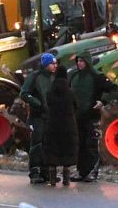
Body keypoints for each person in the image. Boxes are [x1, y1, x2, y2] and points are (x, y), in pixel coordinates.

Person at [69, 51, 118, 181]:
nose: (79, 63)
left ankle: (92, 171)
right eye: (78, 61)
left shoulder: (97, 76)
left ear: (87, 62)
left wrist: (103, 101)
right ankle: (81, 171)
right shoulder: (74, 76)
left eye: (82, 61)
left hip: (92, 115)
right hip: (77, 116)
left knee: (91, 144)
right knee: (80, 144)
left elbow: (113, 89)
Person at [20, 52, 58, 184]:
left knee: (48, 144)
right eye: (52, 63)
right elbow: (24, 93)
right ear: (46, 64)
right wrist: (38, 103)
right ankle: (34, 172)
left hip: (50, 116)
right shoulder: (35, 76)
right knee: (37, 144)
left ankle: (46, 171)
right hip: (38, 116)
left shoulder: (53, 78)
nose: (55, 66)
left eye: (55, 63)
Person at [43, 66, 79, 186]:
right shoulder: (71, 92)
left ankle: (52, 178)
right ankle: (66, 178)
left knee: (52, 148)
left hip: (52, 124)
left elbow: (48, 104)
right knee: (67, 149)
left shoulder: (49, 92)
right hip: (68, 125)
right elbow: (76, 106)